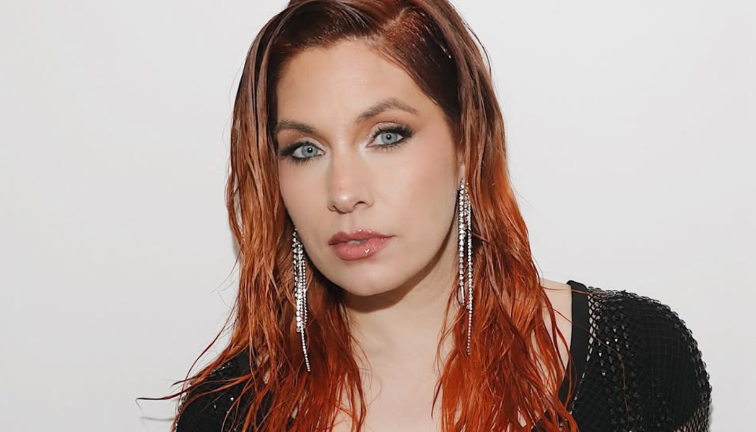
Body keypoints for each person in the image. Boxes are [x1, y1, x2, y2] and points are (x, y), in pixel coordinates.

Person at [168, 0, 712, 431]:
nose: (344, 192)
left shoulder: (632, 360)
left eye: (387, 136)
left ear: (467, 144)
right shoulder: (226, 416)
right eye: (305, 149)